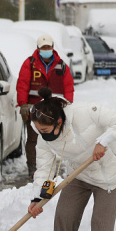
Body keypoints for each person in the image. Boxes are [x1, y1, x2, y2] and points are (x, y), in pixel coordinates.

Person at [27, 87, 116, 231]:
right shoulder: (44, 137)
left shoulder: (85, 113)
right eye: (39, 130)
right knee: (64, 217)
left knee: (101, 226)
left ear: (59, 122)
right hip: (80, 173)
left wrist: (104, 141)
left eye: (45, 130)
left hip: (109, 174)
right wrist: (38, 198)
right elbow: (44, 168)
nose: (42, 134)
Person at [17, 34, 75, 178]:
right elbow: (22, 84)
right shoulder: (29, 63)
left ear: (52, 47)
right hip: (34, 108)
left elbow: (68, 86)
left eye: (48, 47)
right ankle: (33, 167)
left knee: (54, 138)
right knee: (33, 139)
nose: (46, 49)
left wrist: (67, 105)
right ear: (38, 49)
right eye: (43, 48)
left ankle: (52, 168)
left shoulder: (61, 65)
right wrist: (23, 104)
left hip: (54, 109)